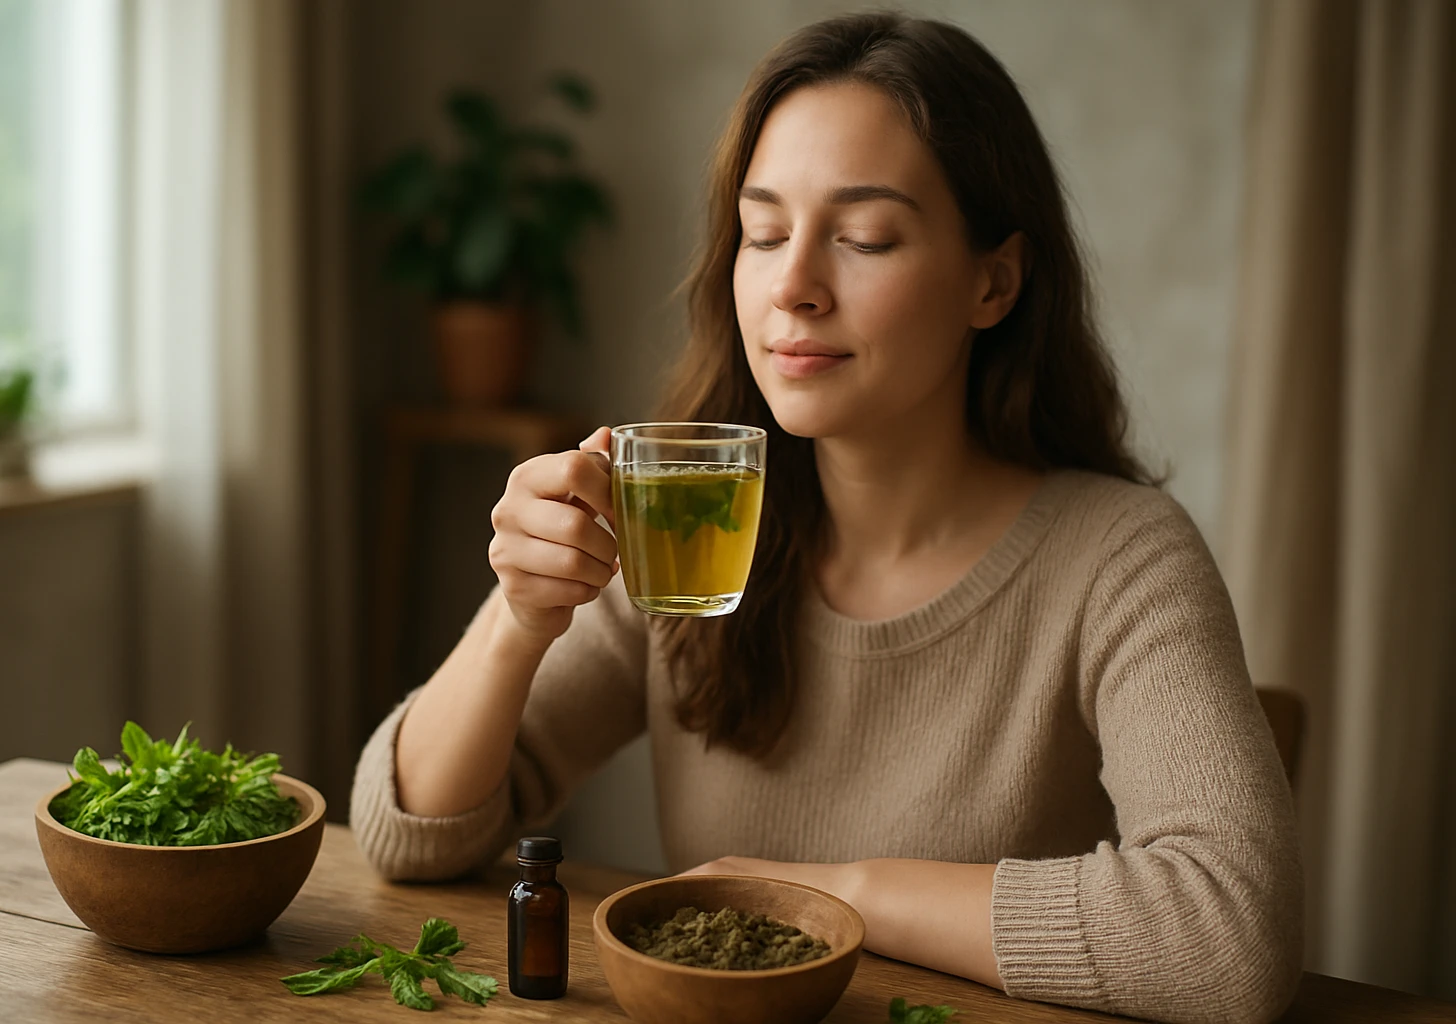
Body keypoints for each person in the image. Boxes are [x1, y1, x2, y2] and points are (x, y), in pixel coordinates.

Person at [351, 13, 1303, 1023]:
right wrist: (520, 617)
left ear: (995, 281)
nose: (793, 286)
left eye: (863, 238)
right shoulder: (692, 519)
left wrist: (837, 895)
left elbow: (1227, 936)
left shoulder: (1119, 556)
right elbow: (411, 832)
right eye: (763, 233)